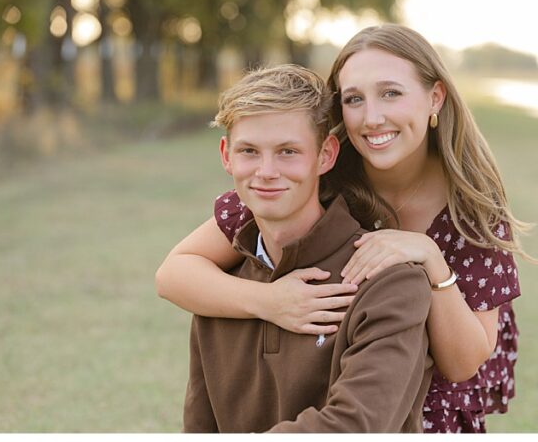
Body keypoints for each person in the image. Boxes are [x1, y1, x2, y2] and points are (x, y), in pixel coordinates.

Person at [157, 24, 530, 433]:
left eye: (391, 92)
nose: (372, 117)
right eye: (354, 99)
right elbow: (174, 274)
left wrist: (431, 258)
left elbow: (462, 363)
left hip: (428, 409)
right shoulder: (317, 180)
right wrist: (270, 300)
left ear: (434, 97)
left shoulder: (470, 210)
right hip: (334, 386)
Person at [181, 64, 434, 433]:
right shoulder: (220, 288)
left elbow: (354, 428)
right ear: (226, 155)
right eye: (249, 151)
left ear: (326, 155)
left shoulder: (392, 285)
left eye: (287, 151)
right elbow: (200, 427)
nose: (266, 171)